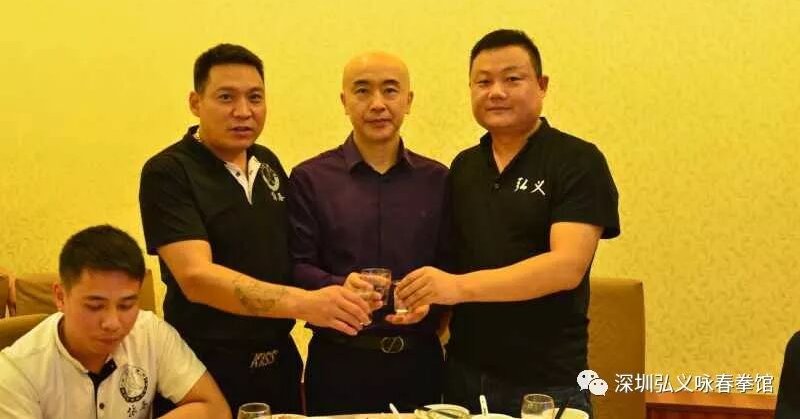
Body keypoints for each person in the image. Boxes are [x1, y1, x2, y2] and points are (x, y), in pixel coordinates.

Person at [397, 29, 620, 417]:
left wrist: (456, 288)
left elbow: (565, 267)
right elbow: (454, 259)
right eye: (483, 82)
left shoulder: (577, 160)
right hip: (463, 374)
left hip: (548, 382)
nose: (496, 92)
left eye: (512, 79)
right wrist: (427, 302)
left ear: (542, 85)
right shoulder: (464, 167)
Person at [139, 43, 371, 415]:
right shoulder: (168, 171)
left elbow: (292, 257)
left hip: (280, 365)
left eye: (255, 97)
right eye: (226, 97)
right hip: (203, 370)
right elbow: (196, 277)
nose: (243, 111)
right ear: (196, 103)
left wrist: (340, 286)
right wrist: (307, 303)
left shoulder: (267, 163)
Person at [289, 51, 449, 414]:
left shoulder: (438, 179)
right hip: (338, 362)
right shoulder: (310, 178)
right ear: (344, 101)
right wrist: (337, 286)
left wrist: (432, 301)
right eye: (362, 91)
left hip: (419, 363)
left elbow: (451, 263)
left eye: (390, 90)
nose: (377, 104)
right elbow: (295, 265)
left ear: (408, 100)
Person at [0, 225, 230, 419]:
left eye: (126, 305)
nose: (112, 323)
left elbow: (215, 409)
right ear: (60, 297)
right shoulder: (17, 371)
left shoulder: (149, 331)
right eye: (95, 306)